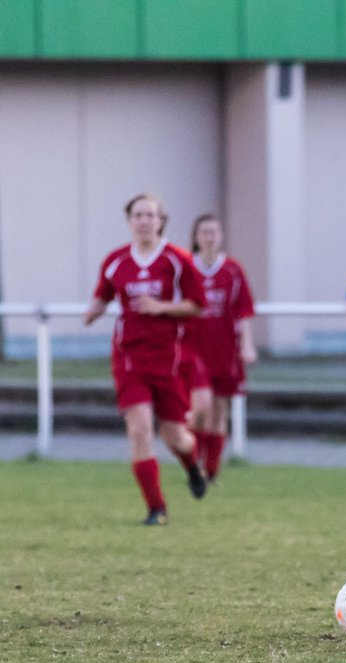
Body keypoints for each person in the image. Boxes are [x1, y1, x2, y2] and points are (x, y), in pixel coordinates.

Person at [84, 193, 208, 525]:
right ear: (129, 220)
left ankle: (192, 465)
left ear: (160, 221)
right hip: (128, 357)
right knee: (138, 429)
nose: (144, 220)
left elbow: (197, 304)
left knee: (175, 435)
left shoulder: (177, 260)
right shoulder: (116, 261)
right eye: (138, 215)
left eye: (150, 215)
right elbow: (104, 293)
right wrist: (93, 311)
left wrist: (162, 307)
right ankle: (157, 509)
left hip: (168, 359)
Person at [186, 213, 258, 483]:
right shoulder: (186, 268)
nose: (209, 237)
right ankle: (195, 464)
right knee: (200, 407)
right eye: (204, 232)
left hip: (226, 349)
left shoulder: (232, 270)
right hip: (194, 349)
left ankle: (211, 468)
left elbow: (244, 310)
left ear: (221, 235)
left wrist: (247, 345)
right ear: (195, 236)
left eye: (214, 231)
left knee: (219, 409)